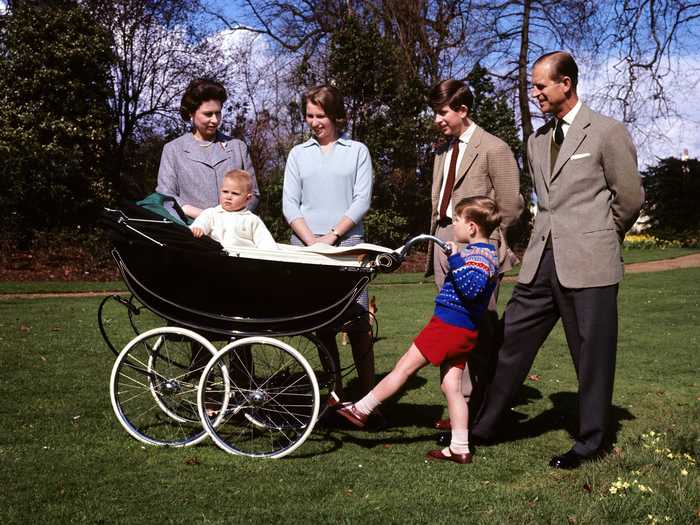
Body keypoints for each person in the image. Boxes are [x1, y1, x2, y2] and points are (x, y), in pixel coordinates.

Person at [471, 51, 643, 470]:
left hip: (590, 262)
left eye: (540, 85)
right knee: (509, 339)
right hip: (540, 261)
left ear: (566, 83)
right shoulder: (535, 141)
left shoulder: (606, 131)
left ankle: (591, 440)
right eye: (533, 86)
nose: (534, 94)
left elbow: (630, 198)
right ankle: (483, 427)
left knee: (591, 353)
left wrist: (600, 237)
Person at [337, 196, 501, 464]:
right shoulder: (484, 253)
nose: (454, 225)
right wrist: (458, 256)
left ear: (472, 227)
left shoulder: (480, 256)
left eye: (457, 220)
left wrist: (456, 259)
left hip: (448, 327)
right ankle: (460, 446)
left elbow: (471, 289)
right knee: (452, 387)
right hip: (462, 331)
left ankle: (361, 409)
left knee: (403, 368)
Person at [426, 79, 523, 432]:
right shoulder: (441, 150)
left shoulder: (494, 148)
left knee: (481, 328)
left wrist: (487, 245)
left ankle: (484, 406)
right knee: (451, 325)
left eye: (442, 112)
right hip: (444, 242)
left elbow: (511, 206)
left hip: (477, 249)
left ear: (463, 110)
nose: (437, 119)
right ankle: (458, 406)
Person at [282, 84, 374, 401]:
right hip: (308, 250)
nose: (314, 122)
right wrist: (313, 243)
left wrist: (333, 236)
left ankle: (368, 396)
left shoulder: (358, 152)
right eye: (309, 115)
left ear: (335, 115)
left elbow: (362, 200)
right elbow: (290, 205)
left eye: (320, 115)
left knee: (358, 323)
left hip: (349, 247)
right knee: (322, 326)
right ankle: (335, 395)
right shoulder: (297, 154)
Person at [156, 78, 260, 219]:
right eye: (208, 114)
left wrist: (234, 220)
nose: (215, 120)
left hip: (235, 232)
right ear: (191, 113)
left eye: (218, 113)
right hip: (191, 232)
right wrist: (208, 218)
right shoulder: (173, 150)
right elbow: (167, 198)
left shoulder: (238, 148)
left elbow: (253, 193)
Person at [190, 170, 278, 251]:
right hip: (216, 256)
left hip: (243, 260)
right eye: (225, 191)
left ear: (248, 198)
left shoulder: (252, 220)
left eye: (235, 193)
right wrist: (198, 228)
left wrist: (272, 254)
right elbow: (201, 223)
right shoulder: (211, 213)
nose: (228, 197)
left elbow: (265, 241)